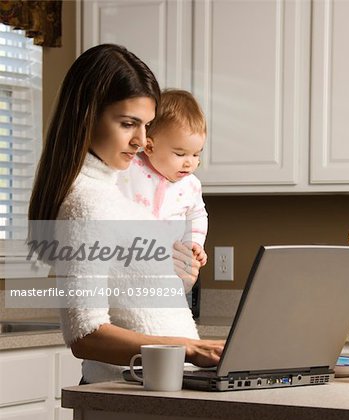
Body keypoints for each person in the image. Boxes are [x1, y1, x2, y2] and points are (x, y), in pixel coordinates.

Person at [28, 44, 224, 383]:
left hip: (158, 388)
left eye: (147, 125)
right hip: (122, 393)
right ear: (86, 115)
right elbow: (85, 334)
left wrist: (179, 280)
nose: (141, 140)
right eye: (128, 123)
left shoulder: (117, 194)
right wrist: (189, 349)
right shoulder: (86, 204)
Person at [117, 89, 208, 267]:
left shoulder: (191, 185)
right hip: (130, 260)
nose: (190, 163)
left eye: (196, 154)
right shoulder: (128, 167)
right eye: (180, 154)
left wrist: (194, 242)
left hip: (171, 265)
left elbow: (197, 215)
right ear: (150, 147)